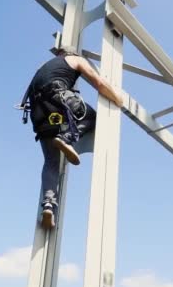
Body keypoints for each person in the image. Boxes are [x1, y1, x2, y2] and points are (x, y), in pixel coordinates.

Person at [20, 46, 124, 229]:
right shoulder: (75, 59)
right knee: (90, 116)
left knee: (51, 162)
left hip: (39, 114)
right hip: (57, 98)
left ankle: (48, 205)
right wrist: (117, 98)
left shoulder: (43, 67)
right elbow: (98, 82)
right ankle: (66, 138)